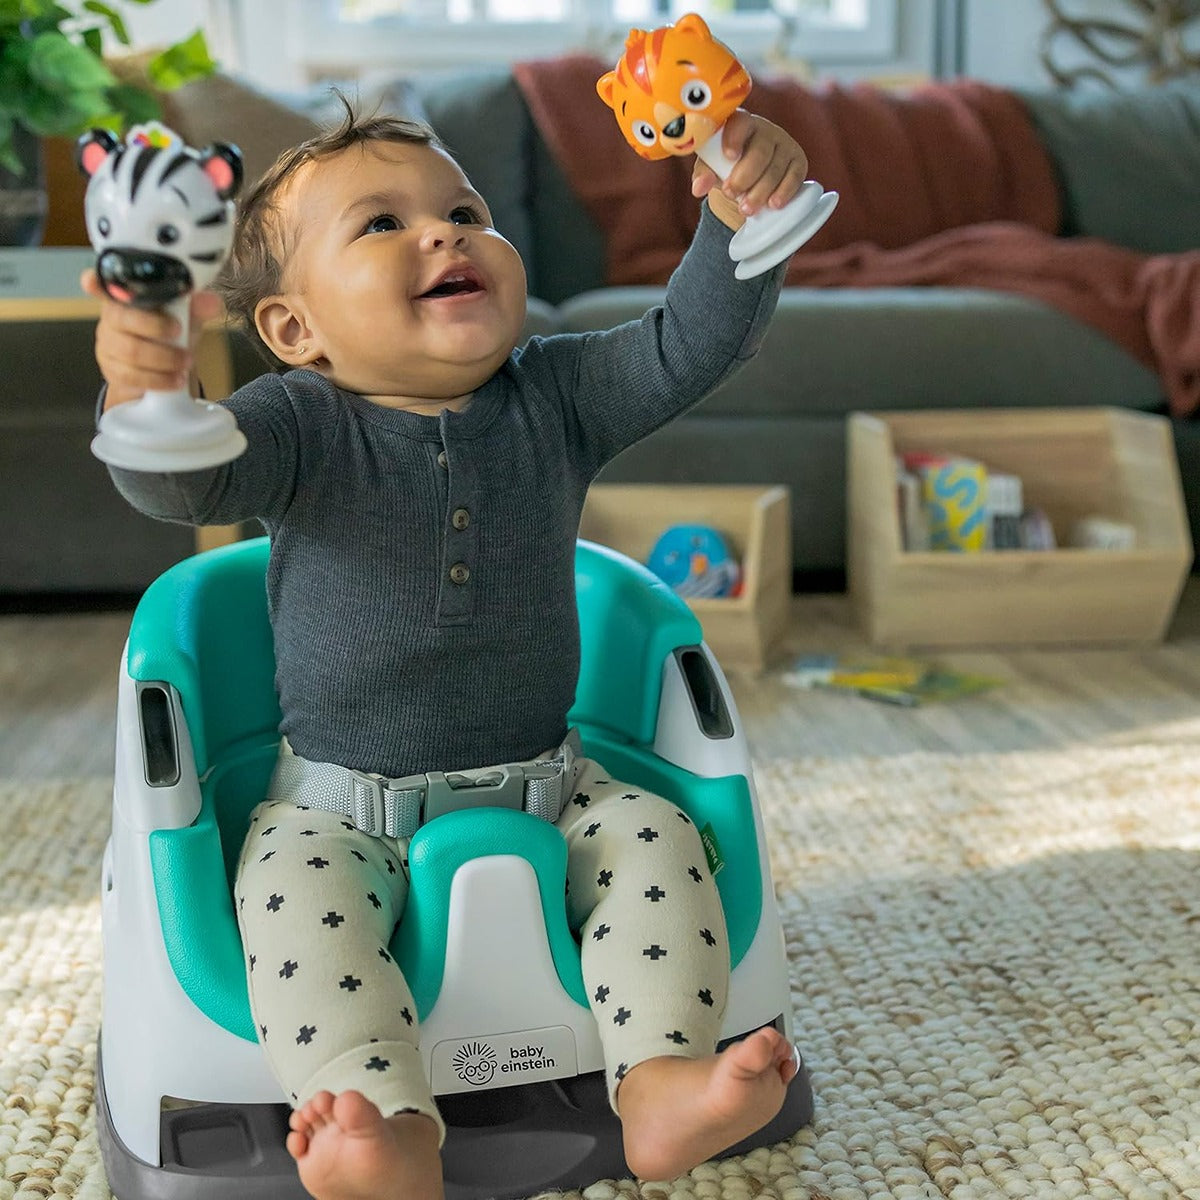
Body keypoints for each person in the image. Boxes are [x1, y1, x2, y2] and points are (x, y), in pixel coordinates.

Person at [85, 97, 810, 1200]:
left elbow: (691, 343)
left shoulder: (558, 398)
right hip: (338, 808)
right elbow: (179, 478)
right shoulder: (296, 425)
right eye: (380, 224)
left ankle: (661, 1084)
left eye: (465, 209)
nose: (446, 232)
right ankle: (381, 1129)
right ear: (294, 331)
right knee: (289, 914)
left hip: (557, 788)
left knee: (661, 844)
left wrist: (740, 212)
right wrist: (146, 388)